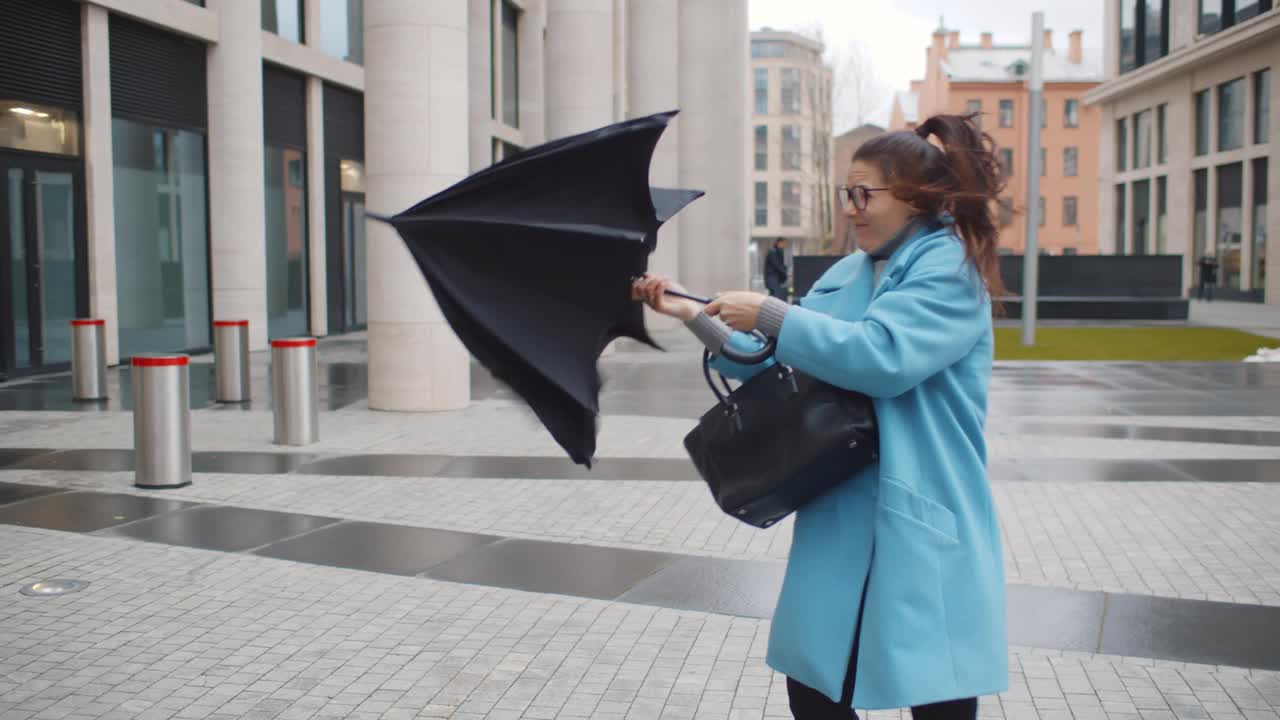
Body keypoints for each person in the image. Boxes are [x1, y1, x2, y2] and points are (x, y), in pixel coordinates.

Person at [633, 113, 1008, 720]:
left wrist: (773, 314)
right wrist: (690, 313)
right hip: (839, 508)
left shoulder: (948, 268)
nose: (852, 209)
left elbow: (883, 357)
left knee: (936, 692)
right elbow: (769, 363)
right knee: (814, 687)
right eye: (847, 195)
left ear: (917, 197)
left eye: (866, 195)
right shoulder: (848, 271)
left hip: (916, 510)